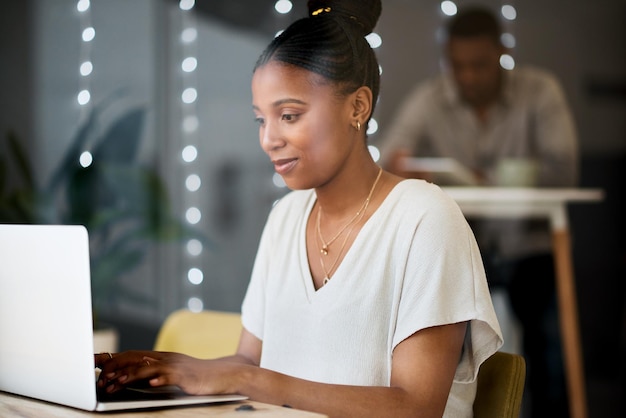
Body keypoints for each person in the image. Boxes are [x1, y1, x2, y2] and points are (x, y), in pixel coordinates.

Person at [95, 1, 502, 417]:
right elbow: (250, 363)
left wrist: (248, 379)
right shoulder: (285, 218)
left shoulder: (425, 220)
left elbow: (416, 407)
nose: (269, 139)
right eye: (261, 120)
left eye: (288, 115)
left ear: (357, 107)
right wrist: (176, 370)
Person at [377, 6, 578, 418]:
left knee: (550, 350)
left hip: (530, 242)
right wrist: (403, 166)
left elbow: (564, 168)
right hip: (464, 248)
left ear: (502, 52)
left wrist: (486, 178)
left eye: (479, 65)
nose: (467, 77)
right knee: (447, 355)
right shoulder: (430, 97)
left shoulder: (540, 90)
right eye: (458, 66)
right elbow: (388, 158)